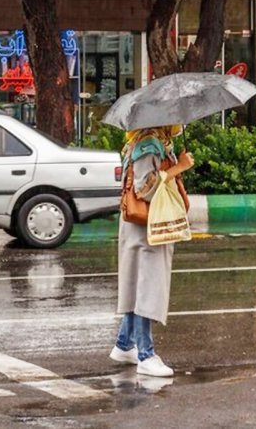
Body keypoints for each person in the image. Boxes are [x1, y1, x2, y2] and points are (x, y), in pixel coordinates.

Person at [110, 126, 194, 377]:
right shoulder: (149, 145)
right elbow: (144, 188)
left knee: (139, 284)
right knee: (147, 286)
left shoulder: (153, 141)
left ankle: (125, 344)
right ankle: (146, 355)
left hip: (143, 227)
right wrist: (178, 168)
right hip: (146, 227)